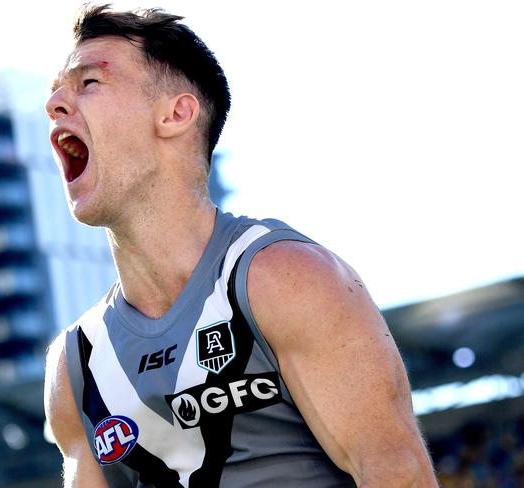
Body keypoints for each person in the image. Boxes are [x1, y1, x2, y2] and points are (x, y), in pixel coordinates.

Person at [43, 4, 438, 487]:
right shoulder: (77, 364)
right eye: (57, 91)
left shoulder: (283, 277)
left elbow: (397, 474)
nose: (55, 104)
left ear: (175, 114)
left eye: (89, 83)